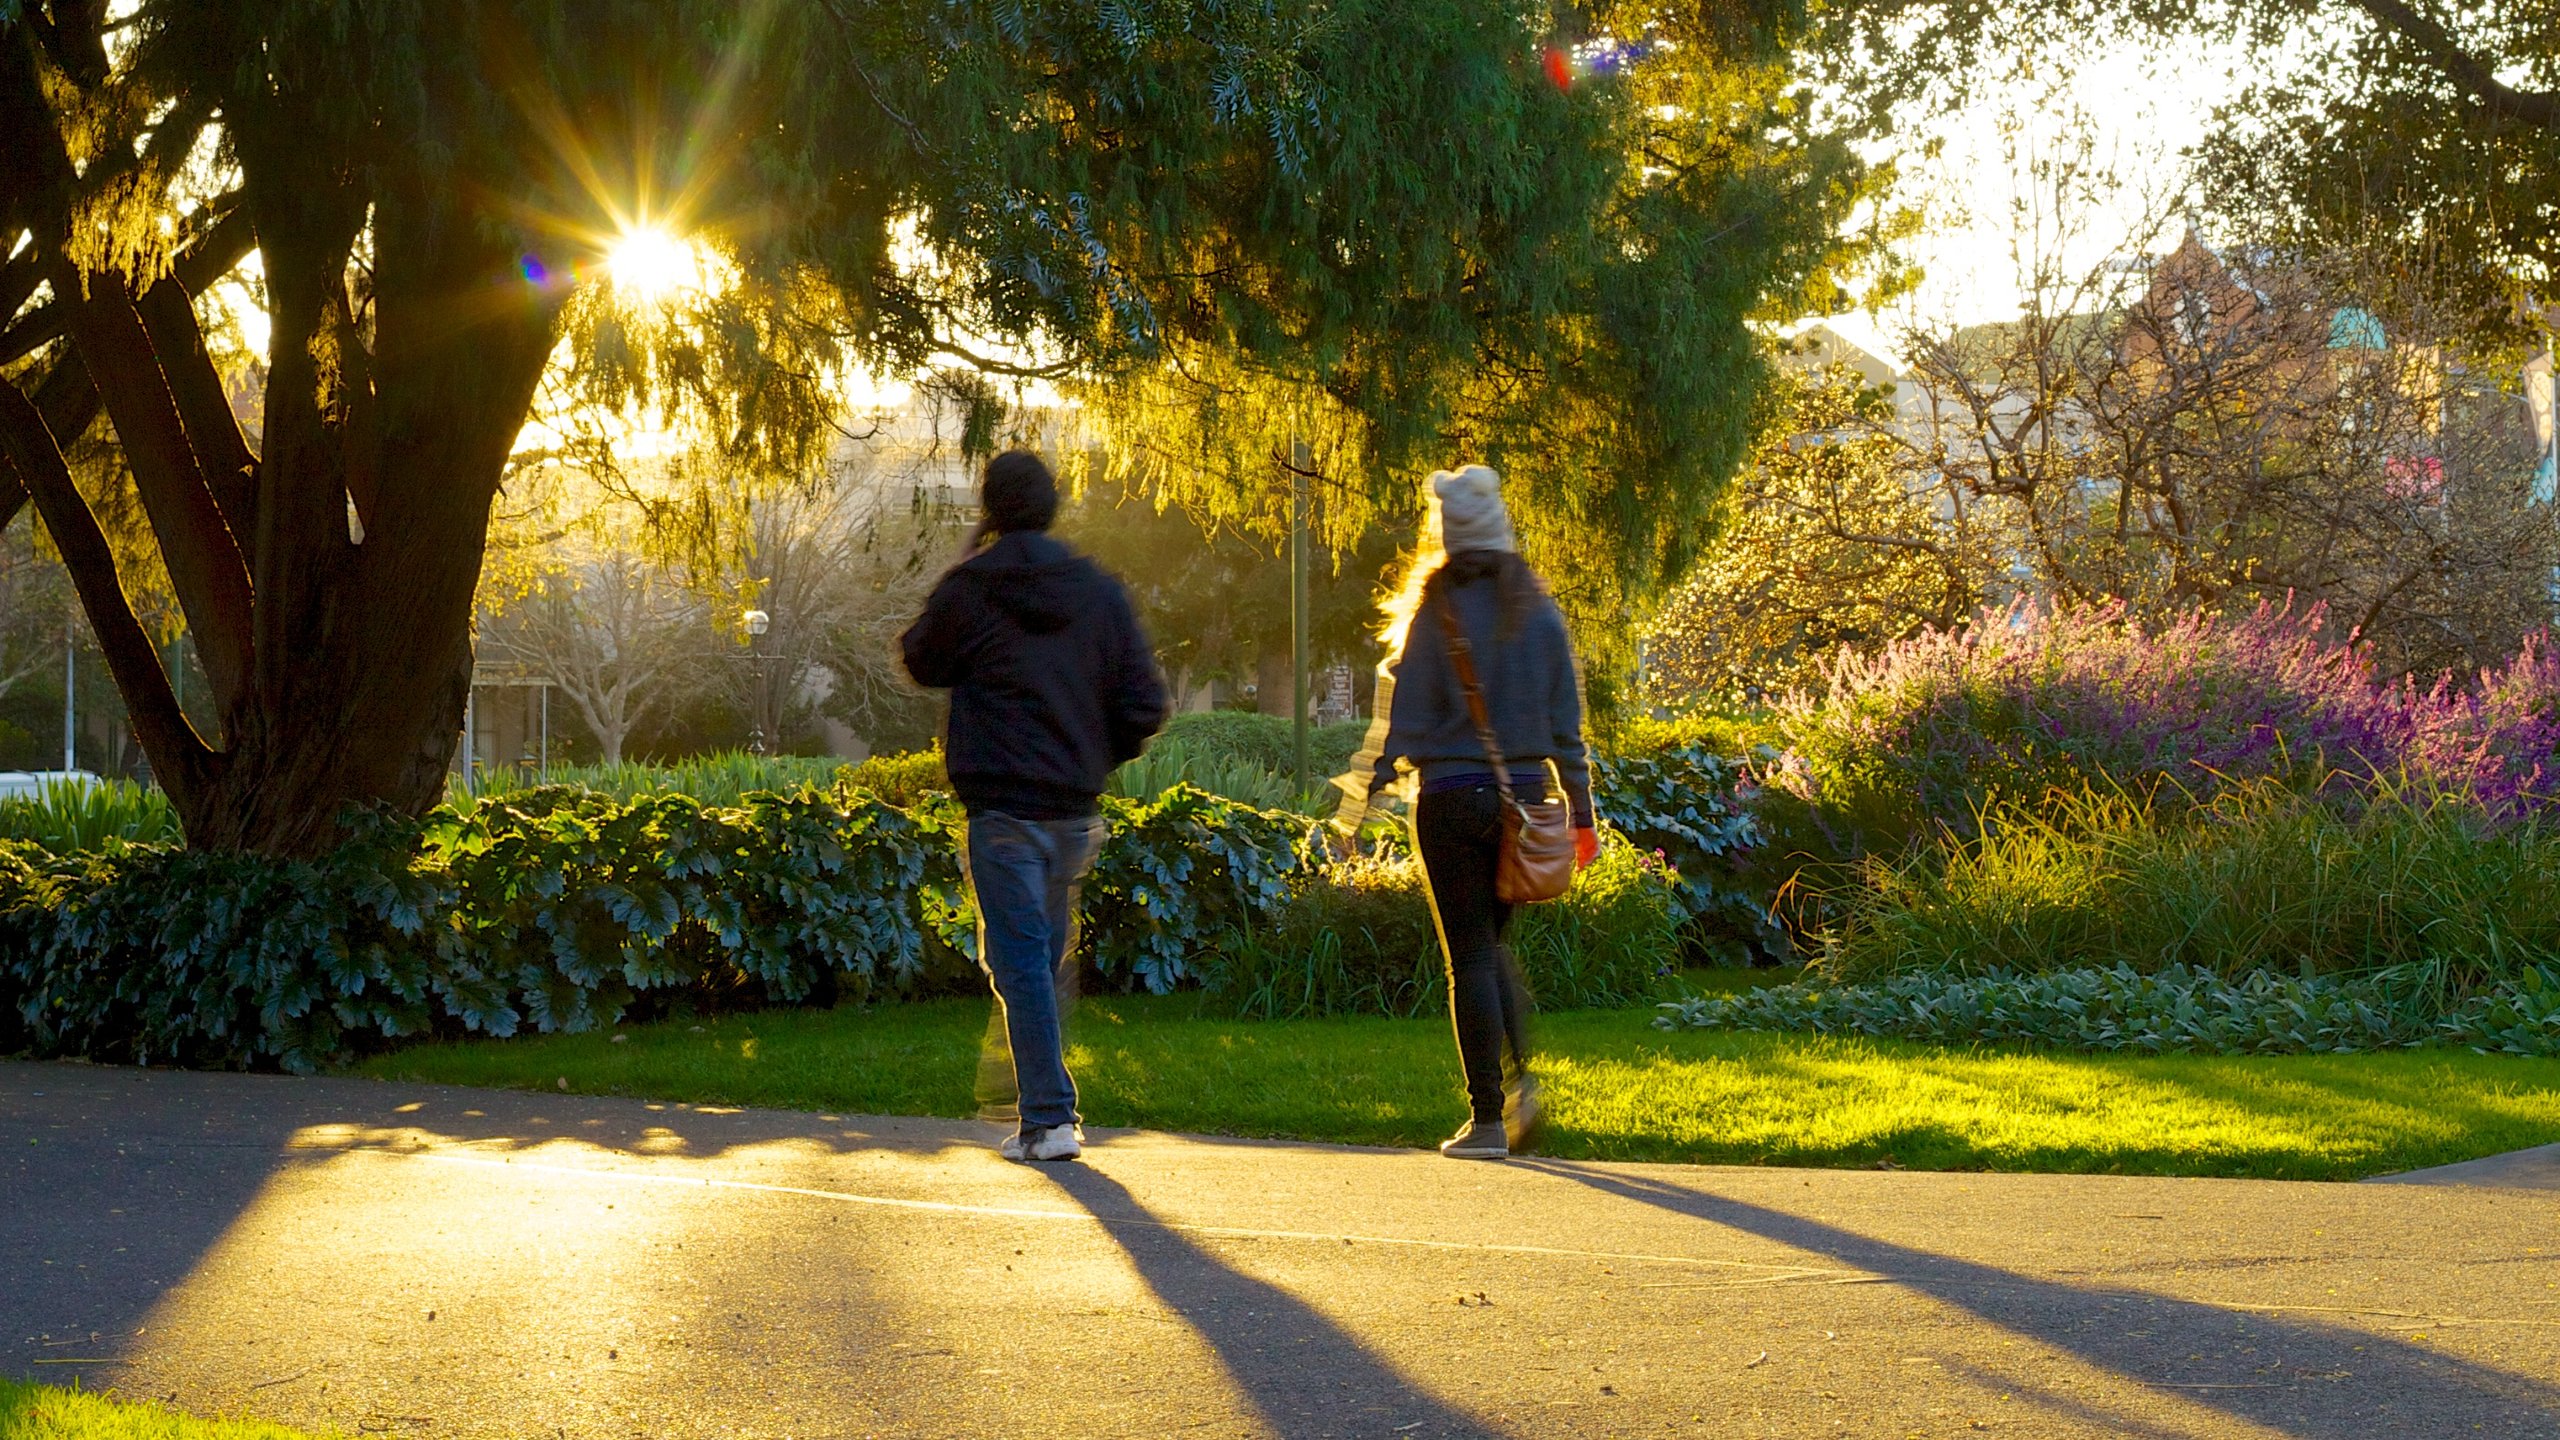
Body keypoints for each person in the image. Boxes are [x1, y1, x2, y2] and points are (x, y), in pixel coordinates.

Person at [900, 450, 1168, 1163]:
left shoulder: (971, 588)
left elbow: (920, 659)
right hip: (1072, 812)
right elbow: (1145, 704)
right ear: (1052, 505)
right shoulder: (1099, 592)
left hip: (1002, 807)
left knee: (1021, 964)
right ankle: (1040, 1110)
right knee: (1038, 962)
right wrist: (1090, 756)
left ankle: (1048, 1119)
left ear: (992, 508)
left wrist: (963, 556)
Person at [1361, 465, 1597, 1160]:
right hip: (1524, 801)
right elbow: (1568, 730)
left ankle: (1487, 1121)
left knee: (1469, 960)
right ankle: (1525, 1086)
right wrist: (1580, 816)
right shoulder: (1540, 612)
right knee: (1493, 949)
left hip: (1449, 799)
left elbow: (1403, 719)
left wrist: (1370, 785)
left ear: (1448, 535)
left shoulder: (1435, 611)